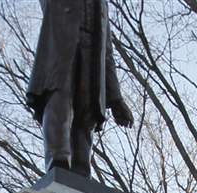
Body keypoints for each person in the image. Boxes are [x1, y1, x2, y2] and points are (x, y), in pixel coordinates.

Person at [25, 0, 134, 173]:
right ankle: (58, 164)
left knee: (88, 111)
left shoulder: (102, 4)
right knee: (58, 101)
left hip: (92, 52)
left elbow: (107, 53)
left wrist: (116, 99)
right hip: (61, 47)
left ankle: (81, 171)